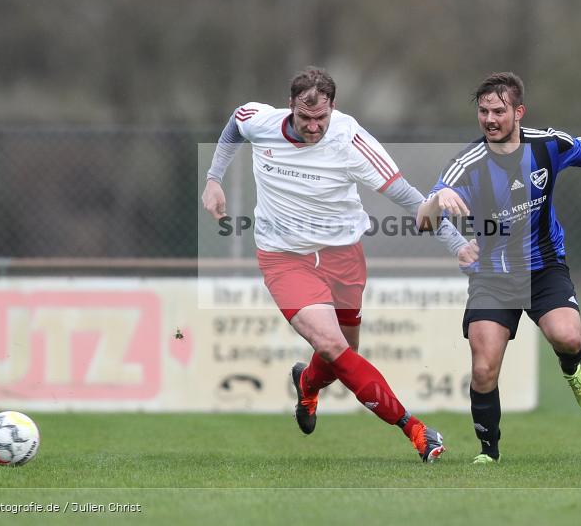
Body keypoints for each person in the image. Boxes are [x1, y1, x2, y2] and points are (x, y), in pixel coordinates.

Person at [202, 66, 476, 462]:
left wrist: (455, 244)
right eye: (304, 118)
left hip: (343, 256)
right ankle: (415, 429)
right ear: (290, 107)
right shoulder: (261, 121)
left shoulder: (350, 139)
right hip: (285, 258)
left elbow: (407, 195)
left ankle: (308, 383)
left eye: (321, 118)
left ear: (333, 108)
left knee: (344, 350)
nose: (313, 127)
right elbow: (234, 124)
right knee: (332, 345)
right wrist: (214, 178)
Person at [416, 72, 581, 464]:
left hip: (544, 268)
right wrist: (441, 198)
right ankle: (489, 452)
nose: (490, 119)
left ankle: (572, 370)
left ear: (519, 112)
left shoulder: (547, 145)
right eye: (483, 111)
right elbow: (424, 217)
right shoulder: (466, 164)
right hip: (493, 276)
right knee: (484, 366)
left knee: (568, 337)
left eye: (499, 111)